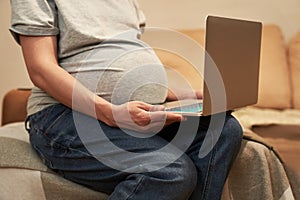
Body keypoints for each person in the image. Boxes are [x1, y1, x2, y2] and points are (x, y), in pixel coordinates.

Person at [10, 0, 243, 199]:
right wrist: (110, 113)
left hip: (134, 110)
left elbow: (125, 54)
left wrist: (175, 95)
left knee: (223, 129)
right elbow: (40, 68)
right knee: (170, 172)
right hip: (64, 113)